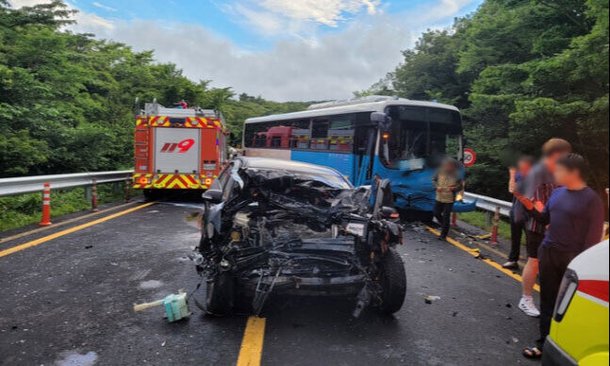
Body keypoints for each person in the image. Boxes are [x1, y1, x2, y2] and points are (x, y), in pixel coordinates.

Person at [513, 153, 605, 359]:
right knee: (547, 300)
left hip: (572, 259)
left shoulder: (592, 200)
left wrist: (581, 266)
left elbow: (591, 241)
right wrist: (527, 203)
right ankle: (543, 344)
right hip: (549, 252)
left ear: (574, 172)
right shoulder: (557, 193)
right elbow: (544, 217)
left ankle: (565, 346)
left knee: (566, 306)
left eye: (560, 170)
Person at [517, 138, 572, 317]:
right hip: (538, 224)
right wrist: (550, 222)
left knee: (557, 264)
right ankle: (526, 299)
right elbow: (538, 202)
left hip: (558, 225)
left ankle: (554, 301)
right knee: (534, 261)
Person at [503, 156, 534, 269]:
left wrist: (512, 173)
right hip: (517, 206)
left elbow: (513, 189)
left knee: (530, 238)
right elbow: (511, 189)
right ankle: (513, 259)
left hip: (529, 207)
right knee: (515, 235)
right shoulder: (518, 175)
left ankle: (531, 263)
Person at [432, 158, 464, 241]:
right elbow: (433, 180)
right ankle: (444, 226)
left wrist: (454, 188)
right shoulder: (439, 172)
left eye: (449, 165)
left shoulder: (456, 175)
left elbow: (460, 186)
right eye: (446, 165)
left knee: (446, 216)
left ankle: (443, 235)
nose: (447, 167)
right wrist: (436, 187)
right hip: (439, 196)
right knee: (436, 213)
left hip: (449, 199)